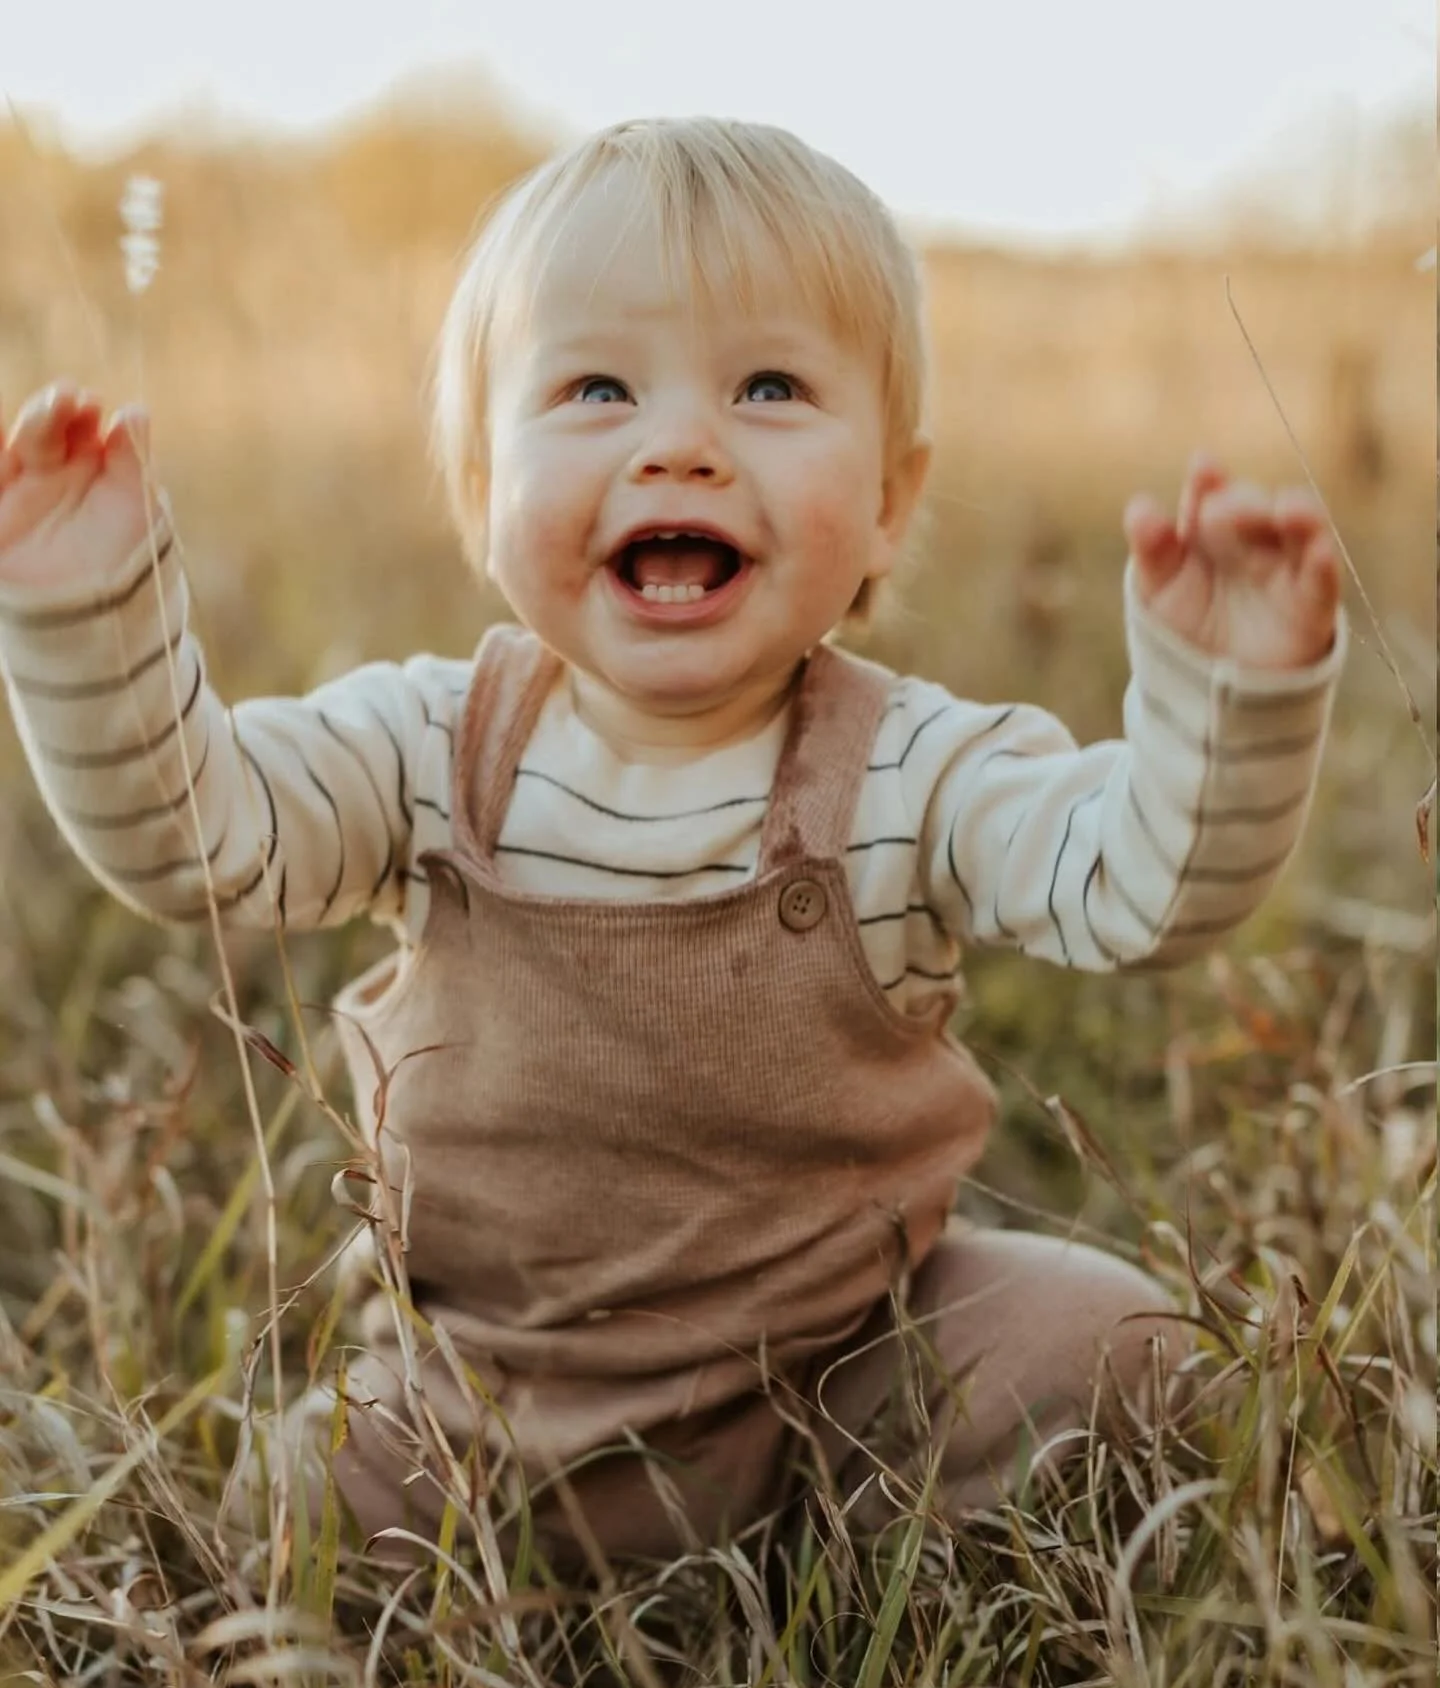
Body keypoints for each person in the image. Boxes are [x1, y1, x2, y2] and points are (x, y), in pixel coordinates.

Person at [0, 118, 1344, 1564]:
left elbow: (1133, 889)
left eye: (769, 386)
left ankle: (835, 1544)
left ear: (890, 503)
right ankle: (547, 1567)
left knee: (1125, 1342)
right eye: (595, 388)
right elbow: (200, 848)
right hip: (495, 1406)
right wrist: (93, 619)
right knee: (294, 1505)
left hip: (847, 1377)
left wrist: (1231, 701)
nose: (682, 444)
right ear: (480, 489)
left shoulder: (914, 765)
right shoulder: (424, 749)